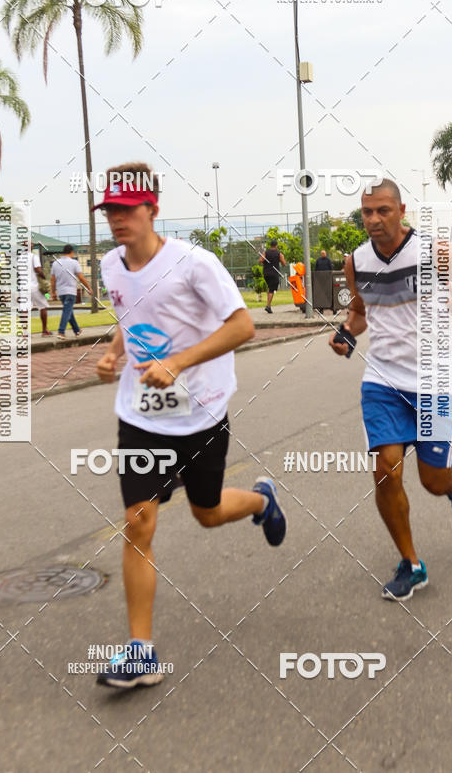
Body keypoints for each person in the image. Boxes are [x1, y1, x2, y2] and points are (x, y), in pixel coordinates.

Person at [94, 162, 286, 689]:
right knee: (139, 522)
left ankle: (263, 500)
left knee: (207, 512)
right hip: (140, 419)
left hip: (200, 412)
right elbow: (130, 319)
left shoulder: (193, 264)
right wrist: (114, 353)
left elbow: (243, 325)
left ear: (152, 209)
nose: (117, 220)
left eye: (126, 209)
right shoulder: (111, 266)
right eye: (109, 210)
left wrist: (177, 362)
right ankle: (141, 652)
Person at [329, 178, 452, 601]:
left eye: (382, 211)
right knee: (385, 469)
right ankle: (411, 564)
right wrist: (346, 334)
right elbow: (360, 311)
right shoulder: (357, 262)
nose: (373, 220)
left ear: (401, 210)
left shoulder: (436, 253)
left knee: (432, 480)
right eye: (367, 212)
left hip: (435, 383)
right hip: (383, 382)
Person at [50, 245, 91, 340]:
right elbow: (81, 278)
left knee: (68, 310)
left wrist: (53, 292)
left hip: (61, 292)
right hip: (71, 291)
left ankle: (76, 330)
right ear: (71, 252)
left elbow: (52, 279)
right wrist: (88, 288)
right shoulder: (74, 262)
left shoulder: (56, 263)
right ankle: (61, 332)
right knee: (67, 310)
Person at [29, 242, 52, 336]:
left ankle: (25, 333)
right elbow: (38, 270)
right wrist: (43, 276)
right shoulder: (34, 257)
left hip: (23, 287)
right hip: (34, 286)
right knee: (43, 307)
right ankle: (44, 330)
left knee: (24, 309)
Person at [260, 239, 286, 313]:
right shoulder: (279, 253)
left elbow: (261, 260)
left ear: (270, 245)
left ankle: (269, 306)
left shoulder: (266, 252)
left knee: (270, 288)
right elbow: (284, 263)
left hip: (266, 273)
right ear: (276, 245)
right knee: (272, 289)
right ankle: (268, 306)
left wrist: (267, 261)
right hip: (274, 273)